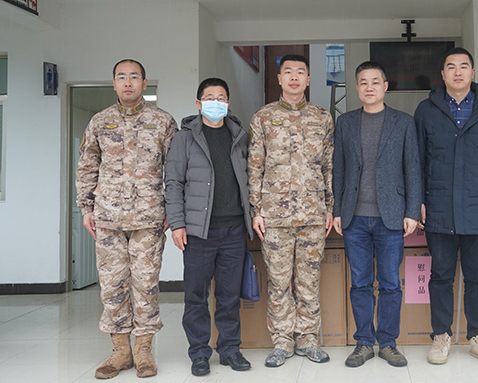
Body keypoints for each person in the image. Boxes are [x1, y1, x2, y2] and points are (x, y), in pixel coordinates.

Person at [76, 59, 177, 379]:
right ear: (114, 83)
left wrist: (173, 210)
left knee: (146, 285)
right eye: (122, 77)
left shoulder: (162, 121)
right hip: (108, 218)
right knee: (112, 286)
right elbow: (87, 167)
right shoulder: (99, 122)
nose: (128, 82)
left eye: (134, 77)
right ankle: (120, 351)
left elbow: (175, 170)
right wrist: (86, 209)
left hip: (149, 218)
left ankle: (144, 350)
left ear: (145, 83)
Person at [414, 47, 478, 366]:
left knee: (477, 276)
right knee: (441, 275)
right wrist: (418, 202)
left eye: (464, 66)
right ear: (442, 74)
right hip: (439, 206)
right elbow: (417, 161)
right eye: (451, 67)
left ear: (473, 72)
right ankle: (441, 335)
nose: (458, 72)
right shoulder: (426, 110)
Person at [332, 61, 422, 368]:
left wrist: (412, 210)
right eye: (363, 82)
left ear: (385, 86)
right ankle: (363, 342)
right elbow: (339, 169)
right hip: (354, 216)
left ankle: (388, 343)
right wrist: (337, 210)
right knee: (359, 283)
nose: (369, 87)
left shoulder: (403, 122)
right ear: (357, 88)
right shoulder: (345, 123)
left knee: (390, 283)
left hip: (391, 216)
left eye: (374, 82)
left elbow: (413, 168)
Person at [248, 54, 334, 367]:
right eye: (288, 72)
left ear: (308, 80)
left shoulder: (322, 117)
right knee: (279, 282)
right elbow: (254, 166)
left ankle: (308, 339)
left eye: (300, 72)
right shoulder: (263, 117)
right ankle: (282, 341)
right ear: (280, 79)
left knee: (309, 280)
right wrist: (256, 210)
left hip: (313, 214)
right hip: (274, 216)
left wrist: (329, 207)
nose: (294, 77)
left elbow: (328, 166)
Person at [164, 78, 254, 377]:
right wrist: (177, 224)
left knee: (229, 295)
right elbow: (173, 182)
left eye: (221, 97)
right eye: (210, 97)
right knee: (196, 295)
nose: (216, 102)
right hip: (198, 231)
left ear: (228, 103)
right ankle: (199, 353)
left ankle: (229, 349)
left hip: (233, 229)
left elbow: (249, 179)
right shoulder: (184, 138)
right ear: (199, 103)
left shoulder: (239, 135)